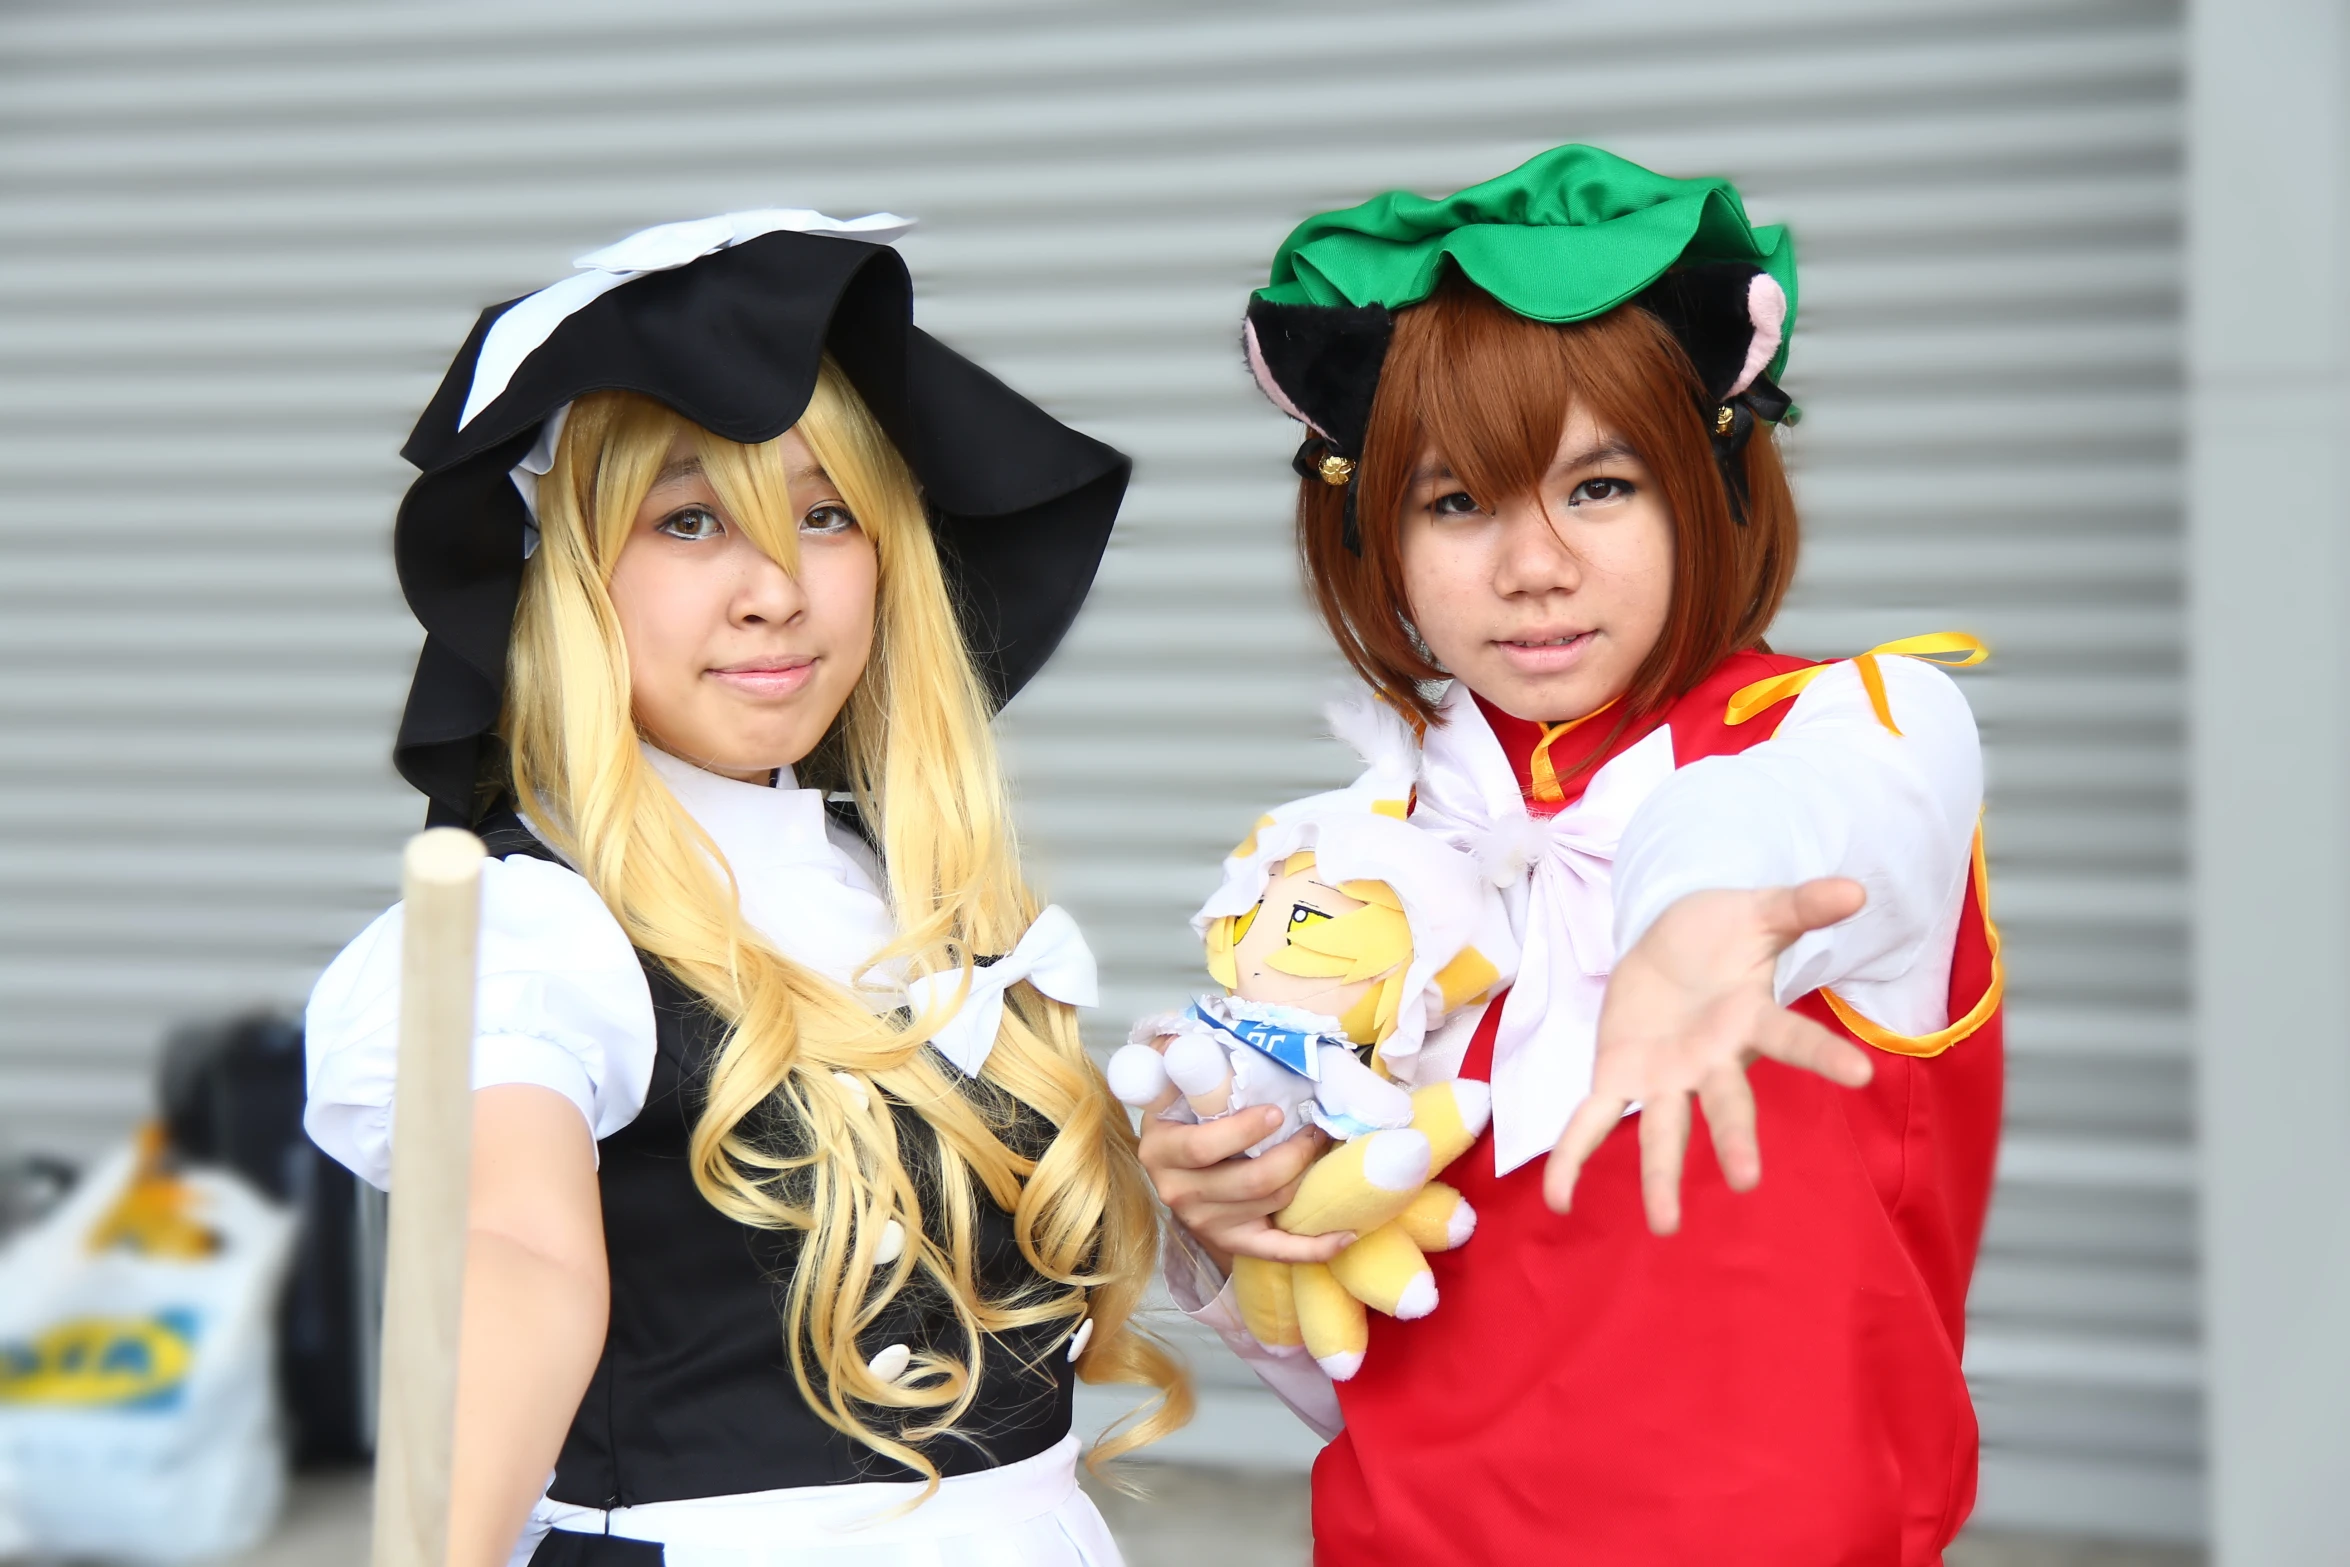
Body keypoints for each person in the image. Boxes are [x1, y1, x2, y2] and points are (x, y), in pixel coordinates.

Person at [1140, 146, 2003, 1565]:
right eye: (1457, 502)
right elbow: (1347, 1356)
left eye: (1596, 487)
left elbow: (1756, 821)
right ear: (1376, 533)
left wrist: (1687, 933)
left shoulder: (1869, 726)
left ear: (1706, 482)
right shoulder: (1355, 852)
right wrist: (1233, 1203)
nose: (1530, 565)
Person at [305, 210, 1186, 1567]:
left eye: (824, 513)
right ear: (568, 581)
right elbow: (514, 1251)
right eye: (691, 518)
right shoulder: (534, 933)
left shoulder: (913, 895)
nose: (776, 588)